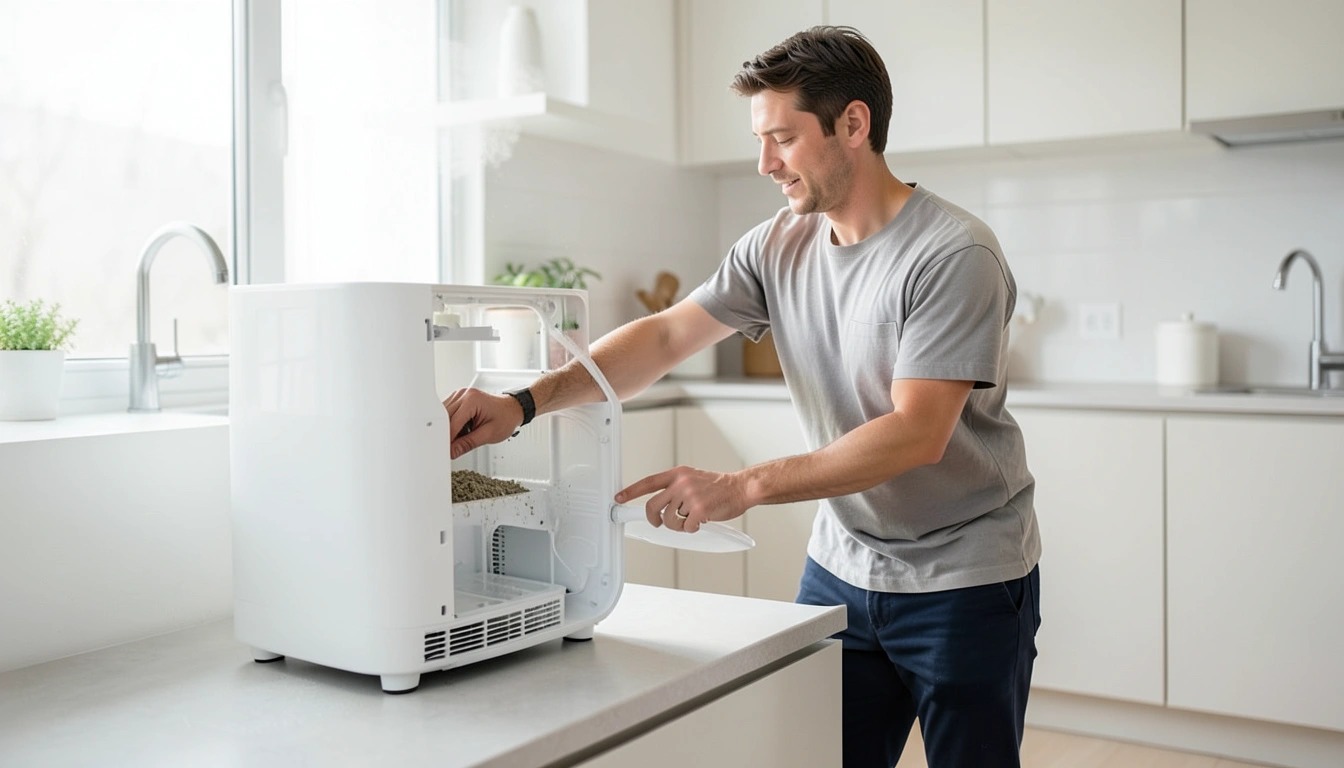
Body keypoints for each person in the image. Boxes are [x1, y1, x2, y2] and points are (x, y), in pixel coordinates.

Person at [445, 26, 1041, 768]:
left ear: (854, 124)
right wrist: (524, 403)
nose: (765, 163)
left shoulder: (952, 254)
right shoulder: (777, 245)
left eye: (783, 139)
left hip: (965, 575)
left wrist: (744, 485)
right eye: (761, 141)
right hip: (844, 563)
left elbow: (917, 432)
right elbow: (667, 335)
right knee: (816, 755)